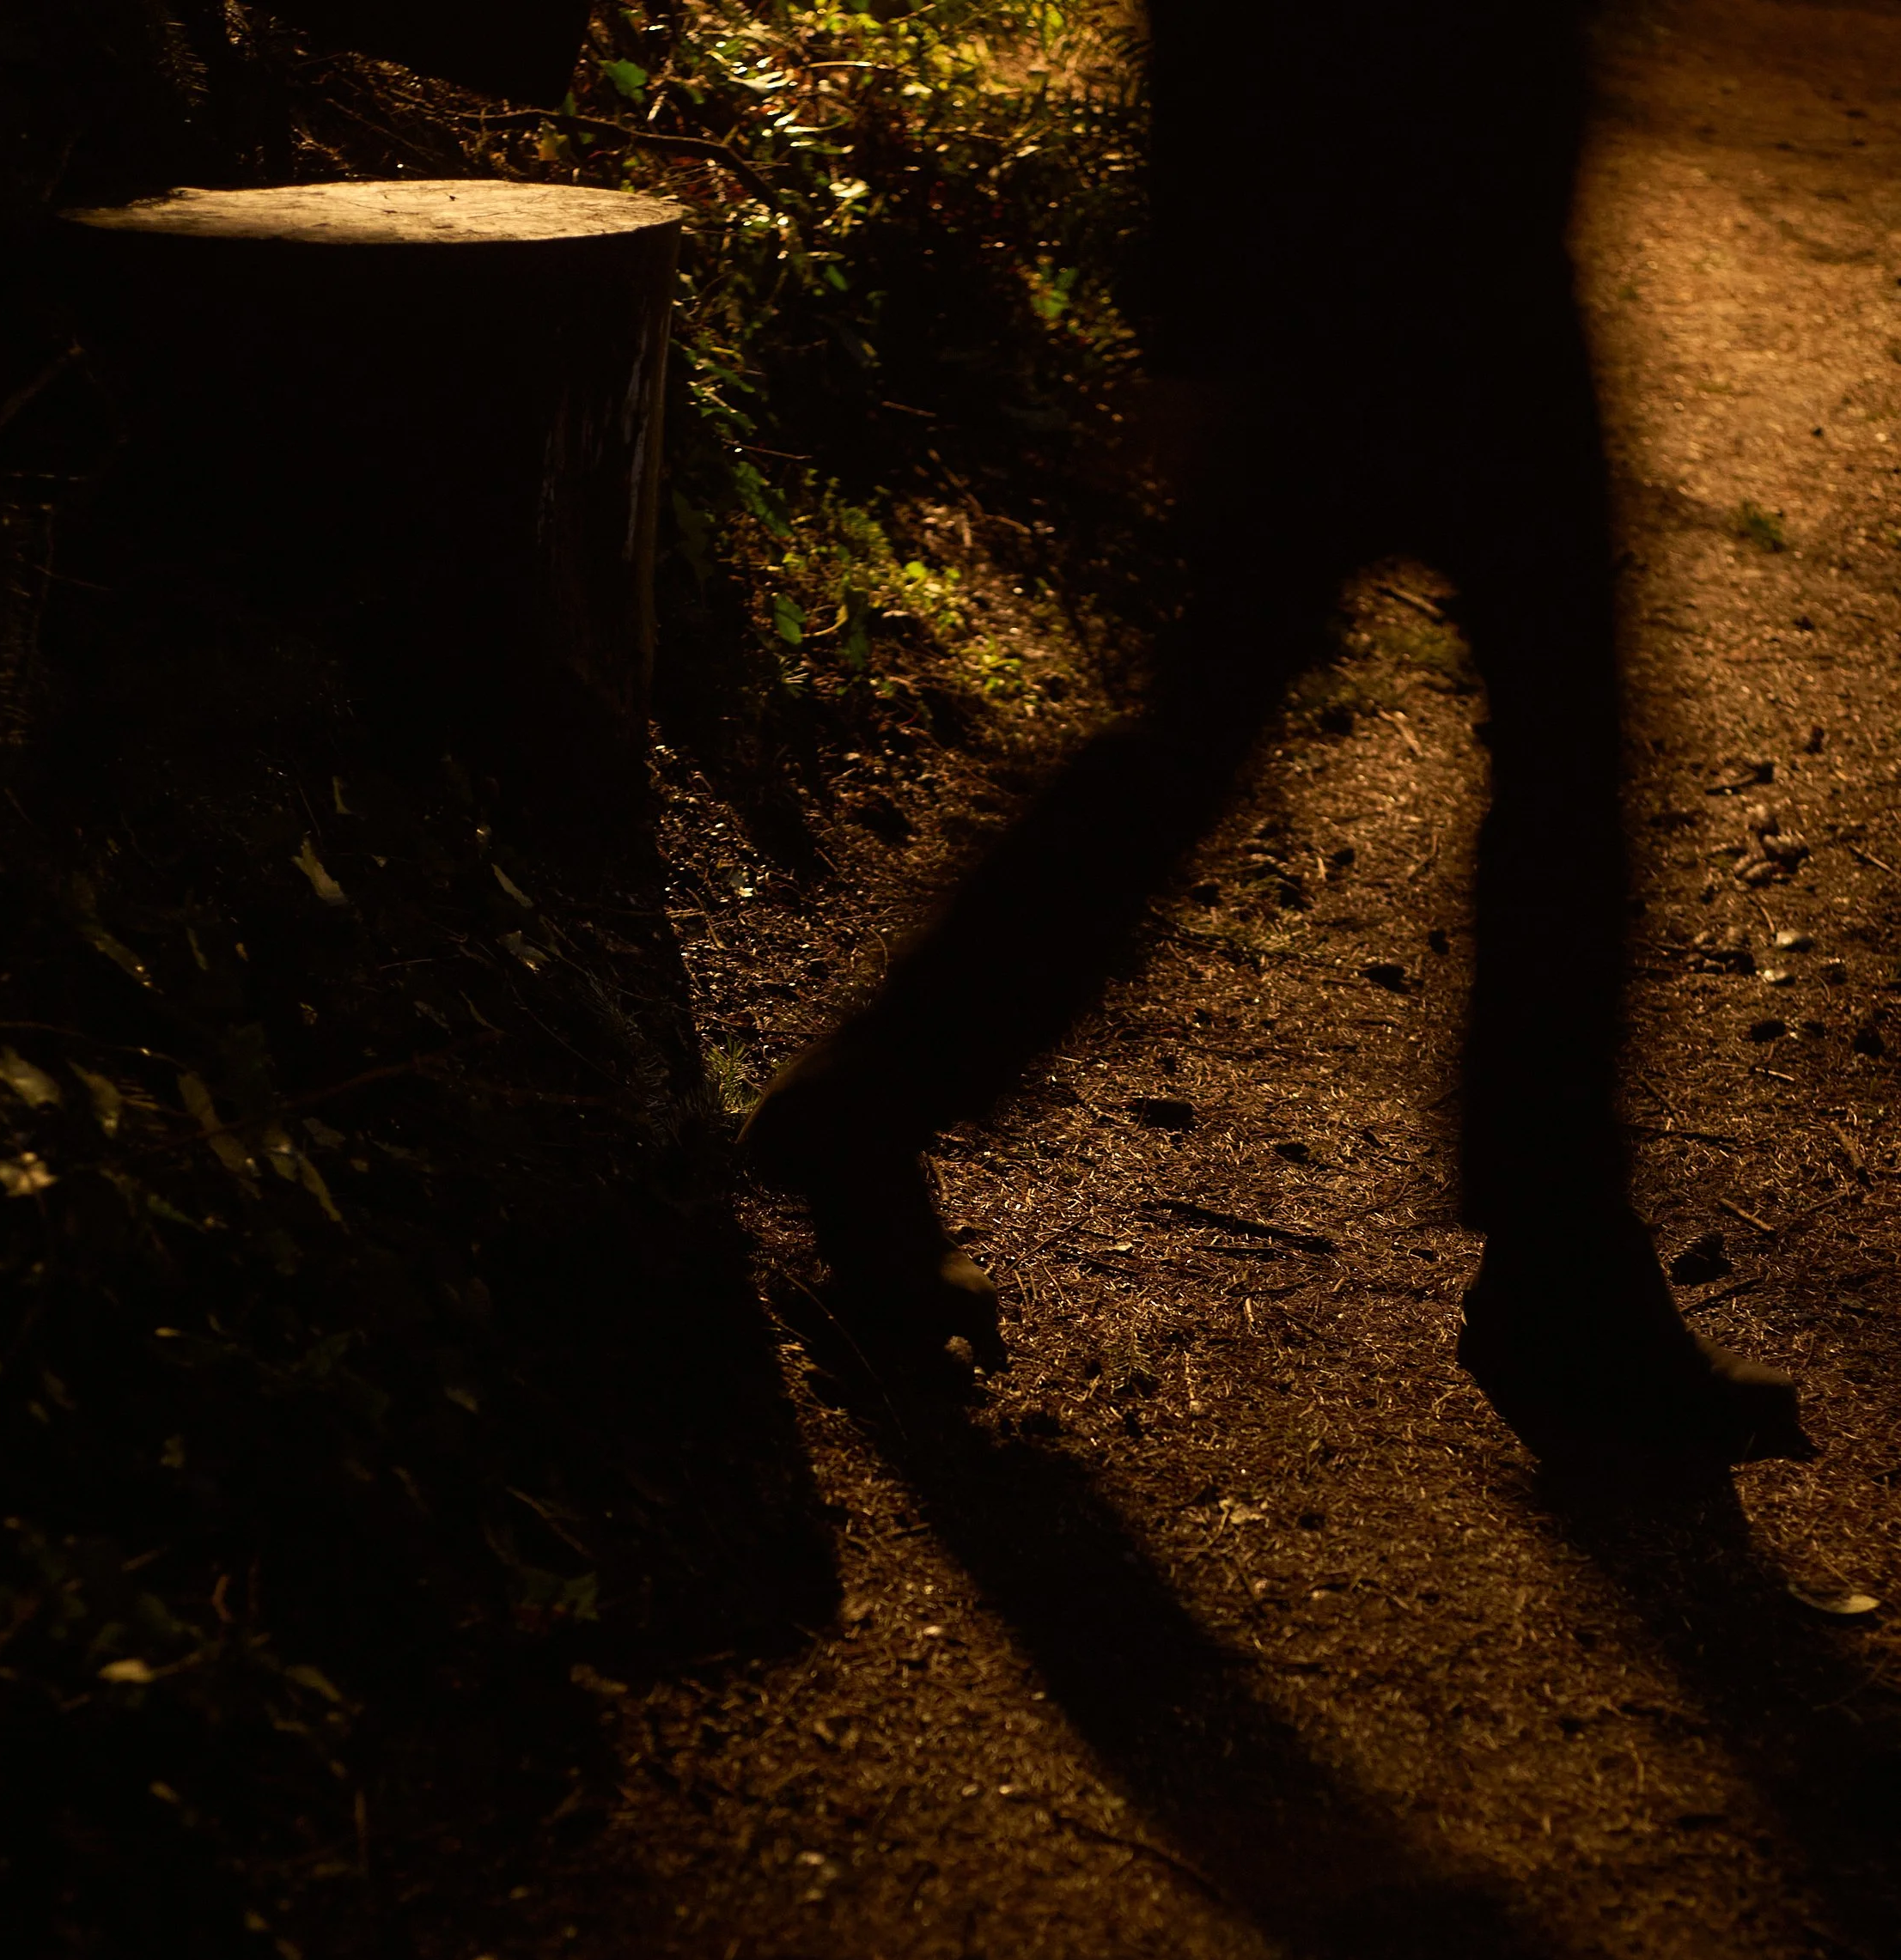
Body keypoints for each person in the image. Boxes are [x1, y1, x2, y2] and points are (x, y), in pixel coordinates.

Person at [744, 0, 1807, 1462]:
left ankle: (874, 1104)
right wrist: (1196, 332)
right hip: (1362, 295)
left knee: (1432, 761)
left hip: (1447, 277)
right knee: (1379, 758)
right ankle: (1559, 1282)